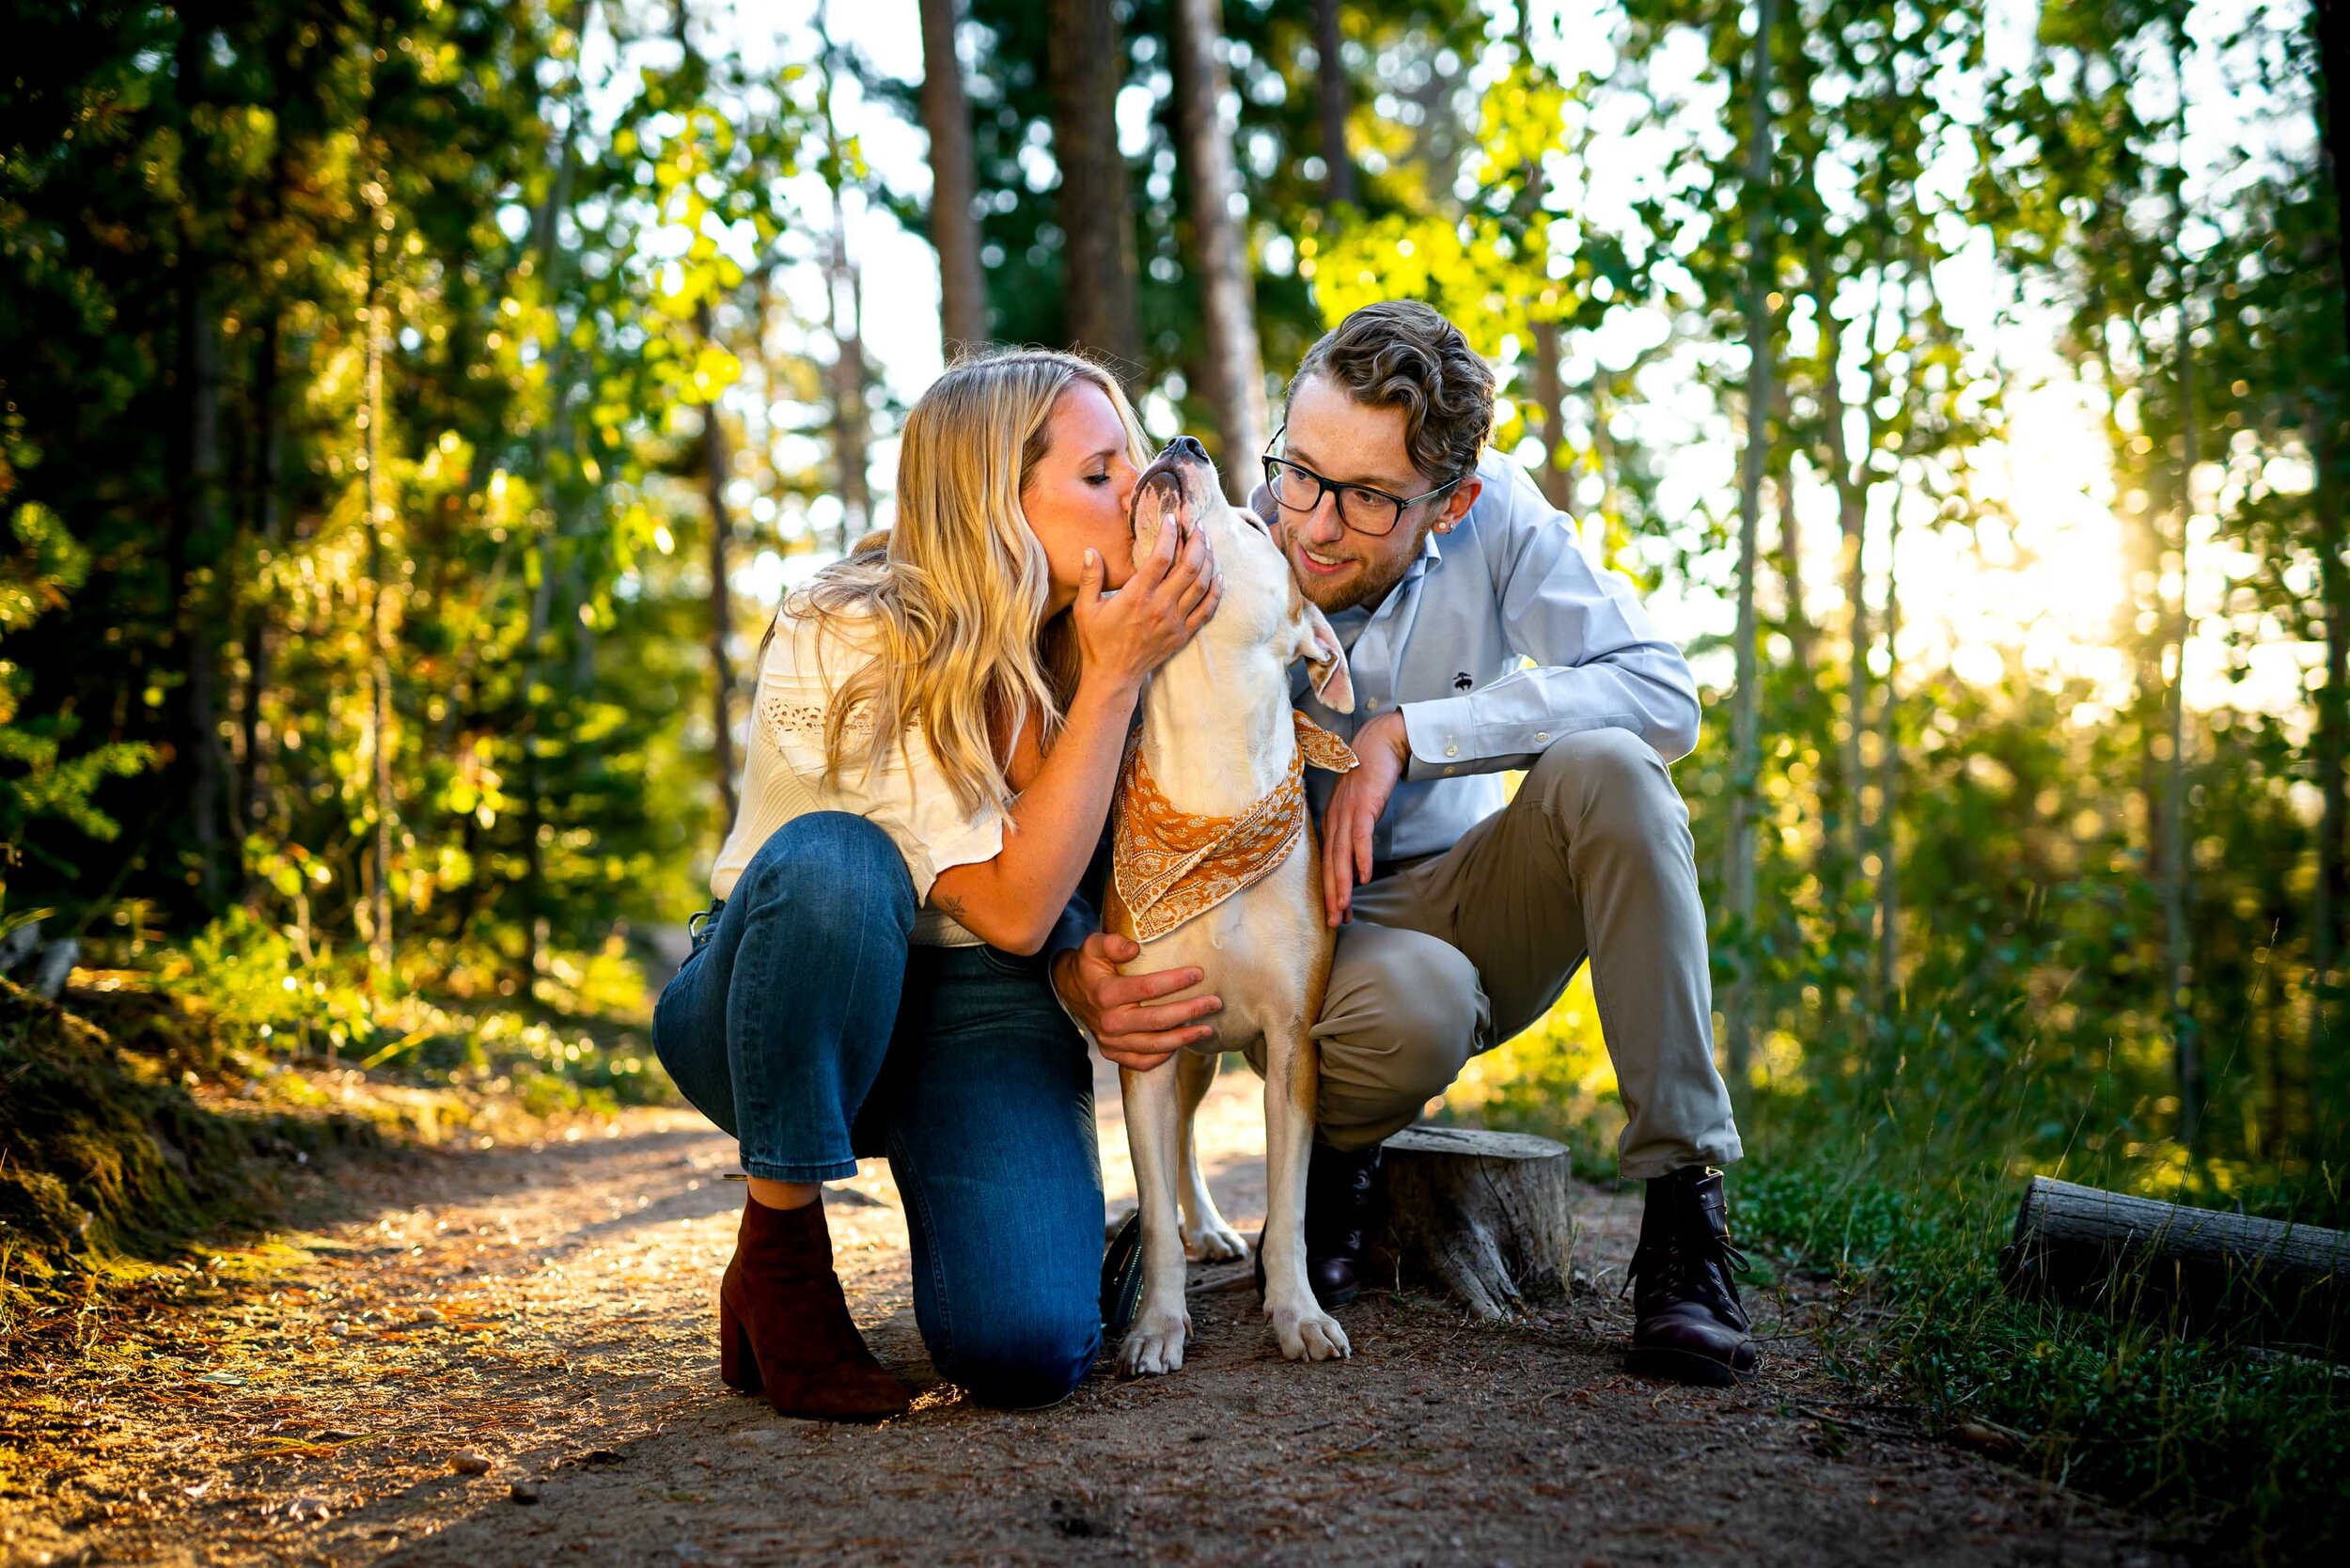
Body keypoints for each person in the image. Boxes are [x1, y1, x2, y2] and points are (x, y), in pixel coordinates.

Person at [1051, 302, 1756, 1386]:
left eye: (1371, 499)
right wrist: (1082, 950)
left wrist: (1411, 737)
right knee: (1407, 1012)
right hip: (1314, 927)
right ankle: (1335, 1168)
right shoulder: (1230, 548)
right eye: (1300, 472)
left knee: (1614, 767)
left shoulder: (1501, 519)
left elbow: (1663, 695)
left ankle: (1685, 1212)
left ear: (1451, 500)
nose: (1317, 526)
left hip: (1470, 887)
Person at [652, 350, 1223, 1419]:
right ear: (993, 501)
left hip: (980, 1009)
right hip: (773, 999)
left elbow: (1052, 922)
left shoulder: (1108, 643)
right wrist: (1111, 682)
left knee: (1025, 1351)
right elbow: (1007, 905)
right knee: (837, 862)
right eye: (1100, 475)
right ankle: (781, 1263)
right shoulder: (847, 625)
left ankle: (1087, 1249)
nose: (1137, 494)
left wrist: (1081, 970)